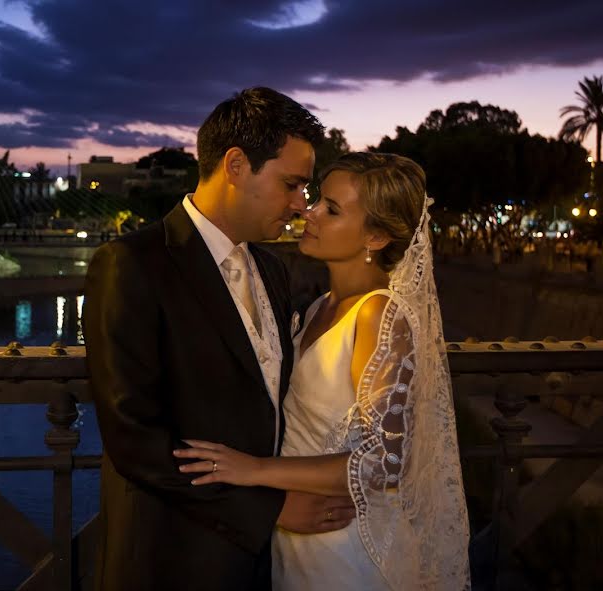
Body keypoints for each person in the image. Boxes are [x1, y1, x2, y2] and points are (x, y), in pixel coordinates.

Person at [83, 87, 355, 591]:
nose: (302, 205)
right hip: (171, 561)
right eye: (292, 185)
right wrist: (272, 506)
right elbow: (135, 440)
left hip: (261, 564)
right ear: (235, 165)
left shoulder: (272, 270)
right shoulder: (131, 266)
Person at [176, 153, 471, 590]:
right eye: (317, 200)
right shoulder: (319, 308)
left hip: (345, 548)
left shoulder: (380, 314)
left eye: (331, 209)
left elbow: (383, 464)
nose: (308, 212)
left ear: (375, 237)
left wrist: (254, 471)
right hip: (297, 539)